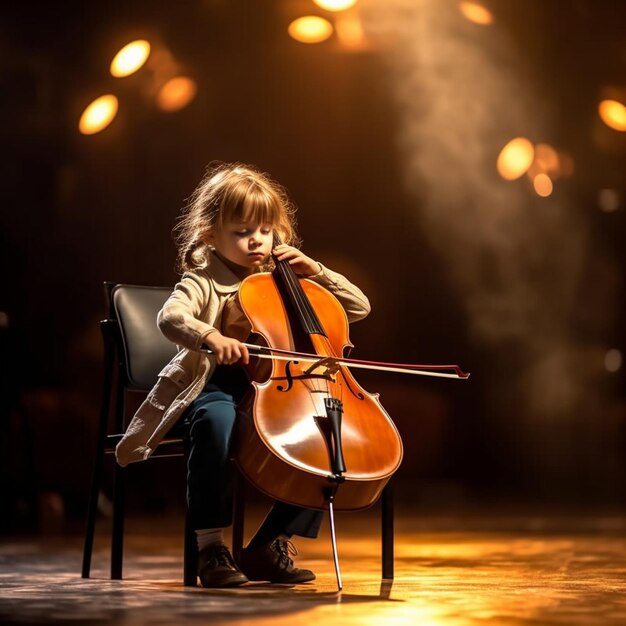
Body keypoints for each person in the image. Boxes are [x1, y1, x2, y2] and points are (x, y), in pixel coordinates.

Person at [116, 162, 370, 588]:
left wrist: (316, 271)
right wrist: (210, 335)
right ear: (209, 235)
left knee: (331, 438)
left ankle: (270, 543)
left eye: (266, 230)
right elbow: (170, 317)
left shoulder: (284, 279)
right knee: (215, 424)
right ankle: (210, 547)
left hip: (281, 391)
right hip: (218, 385)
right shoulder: (201, 282)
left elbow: (358, 307)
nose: (257, 240)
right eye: (241, 231)